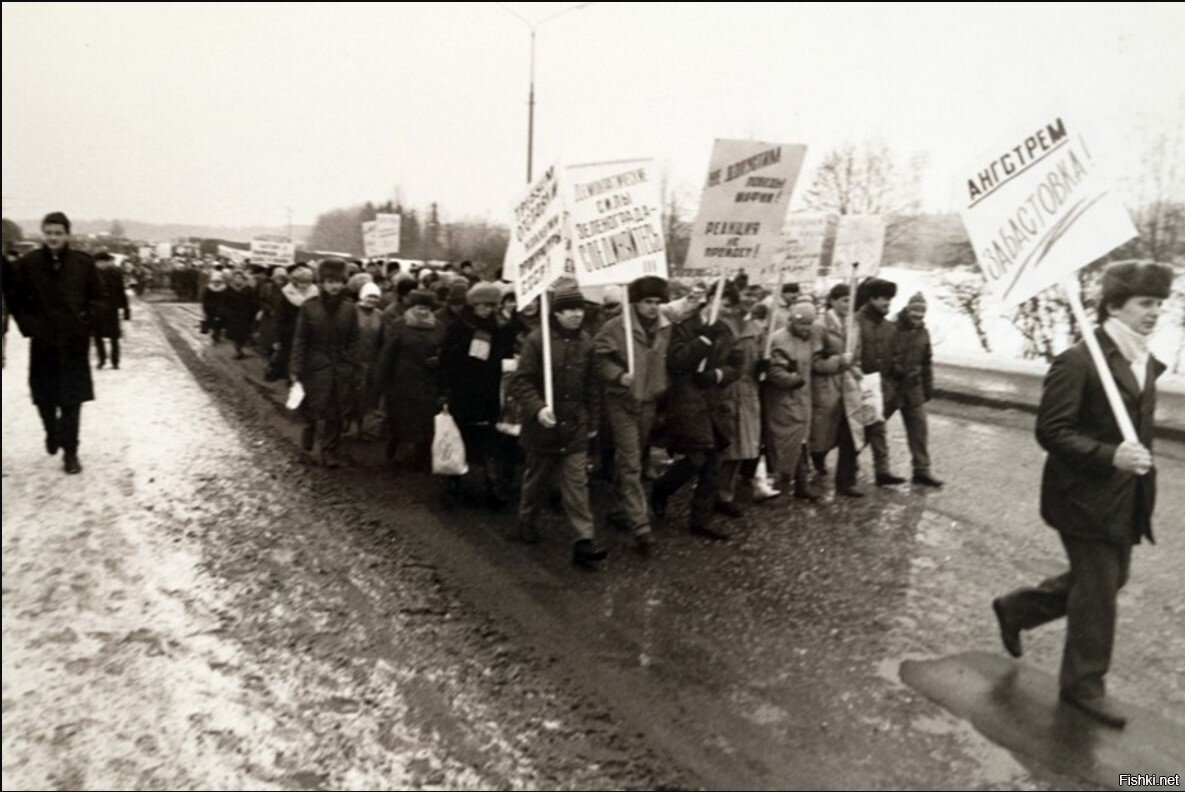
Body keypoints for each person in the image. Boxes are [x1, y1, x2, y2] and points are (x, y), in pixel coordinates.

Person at [990, 262, 1172, 729]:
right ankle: (1083, 685)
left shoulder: (1142, 359)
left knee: (1109, 580)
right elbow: (1052, 431)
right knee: (1099, 591)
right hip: (1082, 497)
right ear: (1114, 306)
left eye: (1159, 303)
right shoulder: (1078, 360)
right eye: (1145, 303)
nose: (1155, 311)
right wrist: (1110, 456)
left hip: (1125, 496)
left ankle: (1017, 608)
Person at [509, 284, 608, 568]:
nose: (576, 314)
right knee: (537, 481)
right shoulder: (537, 340)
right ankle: (527, 522)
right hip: (543, 427)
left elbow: (592, 386)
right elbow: (521, 382)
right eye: (569, 310)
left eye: (579, 309)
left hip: (575, 426)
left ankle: (584, 540)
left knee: (577, 485)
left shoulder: (587, 343)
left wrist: (592, 421)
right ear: (556, 313)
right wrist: (538, 408)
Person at [2, 212, 105, 474]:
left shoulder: (83, 263)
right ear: (43, 234)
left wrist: (85, 320)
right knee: (44, 396)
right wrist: (29, 326)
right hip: (44, 343)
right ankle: (51, 429)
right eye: (49, 232)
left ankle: (71, 453)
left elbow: (99, 297)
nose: (53, 237)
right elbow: (14, 298)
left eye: (58, 233)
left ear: (67, 234)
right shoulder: (29, 263)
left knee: (72, 399)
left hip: (73, 343)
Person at [650, 284, 741, 541]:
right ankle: (662, 488)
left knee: (713, 461)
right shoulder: (684, 326)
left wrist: (717, 375)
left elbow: (736, 364)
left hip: (714, 403)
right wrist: (703, 340)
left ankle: (700, 520)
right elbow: (677, 361)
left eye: (729, 307)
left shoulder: (726, 330)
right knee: (696, 458)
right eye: (722, 304)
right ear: (709, 299)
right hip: (687, 402)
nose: (724, 311)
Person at [594, 275, 671, 555]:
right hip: (622, 402)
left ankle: (620, 508)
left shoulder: (665, 327)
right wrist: (617, 375)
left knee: (633, 457)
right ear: (635, 302)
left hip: (648, 401)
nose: (653, 307)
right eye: (647, 301)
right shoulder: (616, 327)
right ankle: (641, 527)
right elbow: (598, 357)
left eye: (657, 302)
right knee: (630, 462)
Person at [439, 281, 516, 507]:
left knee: (490, 439)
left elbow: (505, 355)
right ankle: (454, 480)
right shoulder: (460, 326)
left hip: (489, 391)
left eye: (491, 305)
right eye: (483, 304)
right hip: (463, 391)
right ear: (473, 304)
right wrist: (445, 390)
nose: (487, 309)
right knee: (459, 436)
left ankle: (493, 485)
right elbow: (447, 361)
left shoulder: (499, 327)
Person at [289, 258, 363, 468]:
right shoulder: (309, 307)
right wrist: (296, 368)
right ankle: (308, 441)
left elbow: (355, 339)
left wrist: (350, 363)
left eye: (338, 281)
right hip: (315, 366)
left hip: (340, 367)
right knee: (313, 407)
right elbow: (300, 340)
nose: (335, 286)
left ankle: (329, 450)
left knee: (336, 411)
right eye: (330, 281)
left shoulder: (349, 308)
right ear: (322, 282)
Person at [376, 288, 445, 471]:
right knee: (402, 418)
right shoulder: (400, 325)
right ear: (412, 307)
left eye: (427, 308)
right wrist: (381, 382)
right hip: (402, 380)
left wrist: (439, 360)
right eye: (419, 308)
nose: (423, 312)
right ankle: (398, 454)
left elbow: (444, 349)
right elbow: (387, 354)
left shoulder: (439, 326)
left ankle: (421, 457)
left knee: (425, 419)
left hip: (427, 380)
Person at [762, 299, 823, 500]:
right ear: (792, 321)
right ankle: (780, 479)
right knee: (786, 440)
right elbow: (773, 371)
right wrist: (793, 380)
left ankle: (800, 483)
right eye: (801, 324)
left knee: (800, 440)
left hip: (802, 398)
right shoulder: (778, 339)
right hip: (783, 399)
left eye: (809, 324)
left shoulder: (811, 338)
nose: (805, 328)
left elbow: (814, 362)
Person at [715, 283, 764, 516]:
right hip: (727, 391)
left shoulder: (756, 327)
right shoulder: (723, 324)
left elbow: (759, 357)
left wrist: (764, 365)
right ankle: (715, 494)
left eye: (754, 295)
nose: (750, 299)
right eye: (746, 294)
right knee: (726, 447)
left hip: (748, 393)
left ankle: (726, 493)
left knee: (742, 448)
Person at [810, 284, 863, 497]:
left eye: (851, 301)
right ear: (832, 300)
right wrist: (839, 361)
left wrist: (855, 368)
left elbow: (857, 354)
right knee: (821, 436)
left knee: (850, 432)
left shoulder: (853, 325)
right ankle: (815, 460)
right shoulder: (820, 326)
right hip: (826, 387)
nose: (847, 305)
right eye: (843, 300)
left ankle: (846, 481)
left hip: (848, 387)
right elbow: (814, 362)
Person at [855, 277, 907, 485]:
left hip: (879, 385)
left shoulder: (889, 327)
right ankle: (832, 461)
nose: (888, 303)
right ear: (871, 299)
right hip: (857, 382)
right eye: (884, 298)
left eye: (890, 299)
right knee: (853, 428)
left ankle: (882, 471)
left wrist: (896, 370)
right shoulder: (855, 322)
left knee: (878, 425)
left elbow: (895, 354)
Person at [888, 292, 943, 487]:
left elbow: (926, 362)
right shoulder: (893, 328)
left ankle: (921, 470)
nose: (918, 315)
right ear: (907, 309)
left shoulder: (923, 333)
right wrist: (895, 368)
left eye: (922, 312)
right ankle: (850, 463)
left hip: (913, 388)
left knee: (919, 430)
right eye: (915, 311)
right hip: (892, 387)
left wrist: (928, 387)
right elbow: (884, 355)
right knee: (872, 427)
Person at [92, 252, 129, 369]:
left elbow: (121, 291)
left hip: (111, 309)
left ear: (108, 262)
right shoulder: (91, 274)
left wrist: (126, 308)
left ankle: (115, 361)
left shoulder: (116, 273)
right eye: (99, 262)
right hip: (96, 309)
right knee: (97, 336)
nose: (101, 264)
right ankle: (101, 359)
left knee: (114, 336)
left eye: (104, 262)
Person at [222, 269, 258, 359]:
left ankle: (240, 349)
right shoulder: (229, 289)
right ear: (233, 279)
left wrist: (252, 312)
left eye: (240, 277)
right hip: (233, 315)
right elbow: (224, 302)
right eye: (236, 277)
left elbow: (253, 302)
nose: (238, 279)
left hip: (245, 315)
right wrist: (226, 313)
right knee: (235, 334)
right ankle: (238, 350)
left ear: (243, 279)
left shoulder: (248, 289)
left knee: (243, 334)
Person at [201, 271, 228, 343]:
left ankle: (217, 333)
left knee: (220, 321)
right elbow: (205, 299)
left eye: (218, 282)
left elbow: (226, 299)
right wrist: (206, 307)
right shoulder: (208, 288)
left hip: (221, 308)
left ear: (221, 282)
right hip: (210, 308)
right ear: (212, 281)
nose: (216, 283)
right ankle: (214, 332)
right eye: (215, 281)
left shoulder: (224, 289)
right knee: (211, 321)